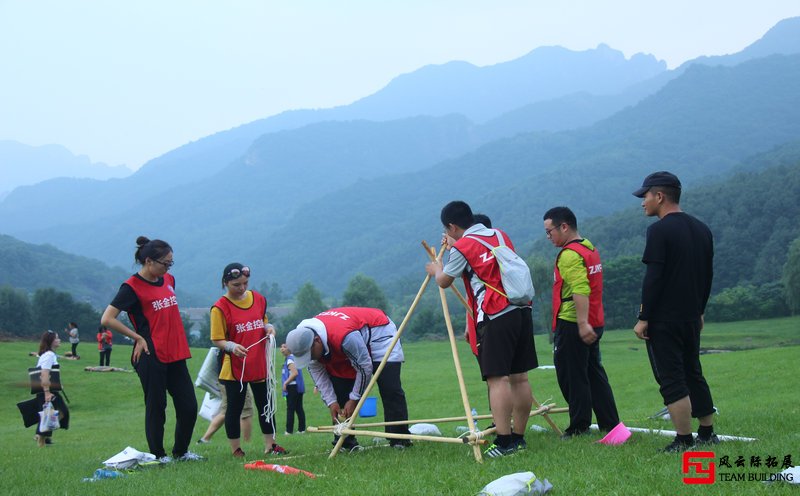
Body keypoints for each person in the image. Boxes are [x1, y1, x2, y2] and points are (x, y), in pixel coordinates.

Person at [425, 200, 537, 457]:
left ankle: (505, 442)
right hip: (521, 309)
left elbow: (444, 281)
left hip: (495, 314)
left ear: (452, 226)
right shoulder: (499, 234)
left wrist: (436, 268)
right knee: (520, 377)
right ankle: (519, 437)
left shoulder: (462, 247)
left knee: (498, 378)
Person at [632, 171, 717, 452]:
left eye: (645, 196)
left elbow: (654, 277)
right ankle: (707, 432)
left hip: (664, 318)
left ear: (659, 196)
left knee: (671, 377)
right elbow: (707, 275)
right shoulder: (702, 228)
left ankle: (683, 439)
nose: (643, 202)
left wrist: (644, 317)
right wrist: (700, 310)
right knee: (694, 371)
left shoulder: (659, 230)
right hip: (691, 316)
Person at [100, 236, 201, 462]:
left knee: (188, 405)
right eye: (164, 263)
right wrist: (137, 337)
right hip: (150, 354)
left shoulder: (168, 280)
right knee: (157, 407)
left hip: (175, 352)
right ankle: (159, 455)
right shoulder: (131, 287)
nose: (168, 267)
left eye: (170, 263)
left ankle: (181, 452)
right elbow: (107, 318)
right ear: (148, 261)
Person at [285, 306, 411, 451]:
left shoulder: (345, 337)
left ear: (317, 341)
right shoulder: (302, 338)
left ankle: (399, 439)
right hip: (348, 342)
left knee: (390, 387)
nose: (311, 359)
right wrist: (331, 402)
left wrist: (354, 398)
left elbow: (365, 367)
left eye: (310, 355)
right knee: (339, 387)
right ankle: (345, 442)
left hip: (379, 332)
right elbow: (318, 373)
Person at [543, 206, 620, 439]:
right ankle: (611, 425)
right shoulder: (589, 248)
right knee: (594, 374)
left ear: (564, 226)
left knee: (571, 375)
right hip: (595, 319)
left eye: (550, 231)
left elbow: (580, 288)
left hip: (574, 321)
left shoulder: (569, 254)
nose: (549, 237)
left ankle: (578, 426)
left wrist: (582, 323)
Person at [210, 262, 285, 458]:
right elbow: (217, 338)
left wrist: (269, 328)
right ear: (226, 283)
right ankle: (236, 449)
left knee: (265, 406)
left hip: (259, 363)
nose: (242, 288)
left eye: (245, 283)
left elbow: (263, 321)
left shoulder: (258, 299)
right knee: (234, 410)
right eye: (236, 285)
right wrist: (231, 347)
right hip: (234, 368)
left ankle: (271, 445)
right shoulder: (219, 308)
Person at [33, 330, 70, 447]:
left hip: (49, 389)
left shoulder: (50, 355)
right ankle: (41, 437)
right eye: (57, 338)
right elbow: (44, 373)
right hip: (47, 390)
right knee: (60, 412)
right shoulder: (48, 355)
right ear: (51, 341)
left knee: (52, 414)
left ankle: (42, 435)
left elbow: (51, 373)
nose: (59, 340)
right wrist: (47, 392)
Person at [281, 343, 306, 435]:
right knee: (299, 408)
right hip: (298, 387)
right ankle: (301, 429)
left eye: (285, 347)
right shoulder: (293, 358)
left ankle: (289, 431)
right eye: (281, 347)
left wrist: (285, 383)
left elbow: (294, 373)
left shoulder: (290, 360)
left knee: (290, 409)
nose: (282, 349)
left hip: (292, 387)